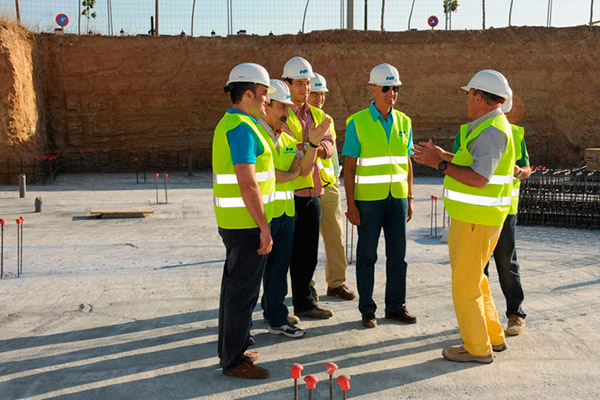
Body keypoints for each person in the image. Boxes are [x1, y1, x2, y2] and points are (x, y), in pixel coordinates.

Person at [411, 69, 516, 363]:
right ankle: (493, 337)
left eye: (469, 94)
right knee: (476, 281)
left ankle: (476, 348)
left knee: (465, 286)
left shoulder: (493, 130)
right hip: (475, 219)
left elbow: (480, 177)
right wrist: (444, 154)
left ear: (480, 97)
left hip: (476, 220)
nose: (467, 100)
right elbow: (473, 161)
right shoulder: (487, 126)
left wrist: (438, 166)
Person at [212, 63, 275, 379]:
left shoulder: (239, 124)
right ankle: (234, 360)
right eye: (264, 94)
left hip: (238, 221)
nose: (267, 100)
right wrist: (264, 227)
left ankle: (231, 349)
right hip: (246, 225)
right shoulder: (241, 128)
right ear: (248, 93)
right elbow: (247, 181)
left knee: (233, 289)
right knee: (242, 294)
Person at [343, 63, 416, 329]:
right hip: (369, 202)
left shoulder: (405, 122)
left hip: (396, 199)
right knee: (367, 256)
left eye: (395, 88)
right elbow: (349, 166)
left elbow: (407, 162)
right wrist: (351, 204)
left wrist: (409, 197)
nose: (391, 93)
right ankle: (367, 309)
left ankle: (396, 306)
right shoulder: (357, 123)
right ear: (373, 89)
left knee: (399, 255)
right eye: (385, 88)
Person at [256, 79, 329, 338]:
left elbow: (305, 169)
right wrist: (289, 175)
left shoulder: (285, 138)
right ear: (267, 105)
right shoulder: (256, 136)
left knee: (278, 268)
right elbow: (263, 174)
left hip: (285, 213)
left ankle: (276, 318)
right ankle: (239, 328)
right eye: (282, 108)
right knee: (251, 275)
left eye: (288, 108)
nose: (287, 114)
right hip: (259, 215)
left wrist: (312, 144)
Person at [281, 56, 334, 319]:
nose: (305, 88)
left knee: (307, 254)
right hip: (288, 194)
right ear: (286, 83)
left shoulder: (320, 115)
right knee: (282, 256)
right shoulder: (279, 113)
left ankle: (304, 303)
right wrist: (309, 146)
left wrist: (309, 146)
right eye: (299, 83)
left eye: (307, 83)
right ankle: (278, 308)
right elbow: (286, 149)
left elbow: (328, 146)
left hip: (312, 194)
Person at [307, 72, 356, 301]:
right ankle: (306, 285)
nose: (319, 98)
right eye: (315, 93)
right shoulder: (299, 120)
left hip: (329, 186)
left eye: (322, 93)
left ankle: (336, 283)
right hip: (306, 187)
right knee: (307, 241)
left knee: (335, 237)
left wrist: (336, 180)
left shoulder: (327, 120)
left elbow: (333, 155)